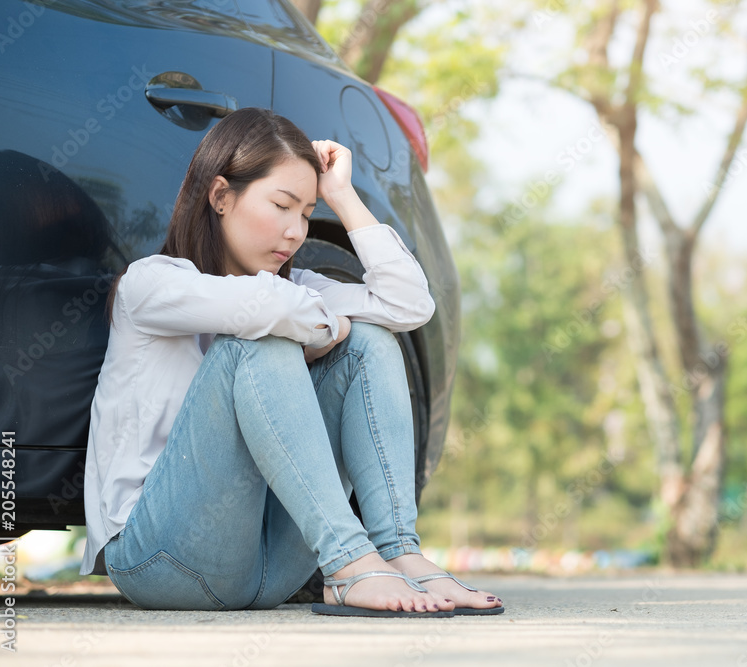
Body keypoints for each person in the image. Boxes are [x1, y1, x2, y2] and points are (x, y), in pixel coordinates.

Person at [78, 107, 503, 617]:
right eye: (282, 205)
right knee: (259, 340)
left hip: (267, 569)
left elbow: (409, 306)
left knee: (370, 342)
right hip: (159, 558)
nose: (297, 232)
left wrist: (342, 195)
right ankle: (349, 562)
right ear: (219, 196)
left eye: (306, 213)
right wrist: (331, 326)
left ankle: (397, 552)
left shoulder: (297, 289)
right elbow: (263, 308)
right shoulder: (150, 284)